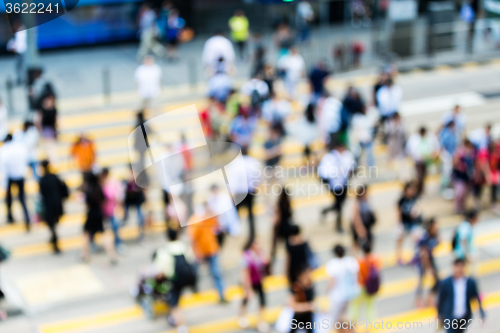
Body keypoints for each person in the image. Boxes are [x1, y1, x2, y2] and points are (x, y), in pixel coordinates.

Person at [153, 228, 196, 333]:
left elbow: (160, 271)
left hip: (173, 281)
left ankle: (181, 326)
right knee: (177, 300)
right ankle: (174, 319)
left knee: (174, 304)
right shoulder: (183, 246)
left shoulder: (164, 251)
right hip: (186, 279)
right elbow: (192, 260)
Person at [187, 203, 228, 303]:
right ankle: (194, 286)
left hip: (212, 250)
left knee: (216, 272)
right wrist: (197, 253)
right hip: (201, 252)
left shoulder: (211, 218)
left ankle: (222, 294)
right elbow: (193, 239)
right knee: (194, 272)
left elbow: (219, 225)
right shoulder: (196, 221)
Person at [437, 258, 485, 333]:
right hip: (450, 316)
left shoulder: (470, 282)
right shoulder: (446, 283)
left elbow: (476, 297)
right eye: (457, 266)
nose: (459, 269)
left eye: (461, 266)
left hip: (464, 316)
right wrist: (439, 314)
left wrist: (482, 314)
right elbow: (441, 299)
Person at [318, 143, 356, 233]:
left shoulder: (347, 155)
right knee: (339, 206)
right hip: (334, 185)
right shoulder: (329, 158)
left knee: (339, 205)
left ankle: (325, 211)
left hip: (344, 184)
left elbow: (352, 167)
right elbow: (323, 172)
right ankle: (338, 226)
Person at [81, 172, 117, 264]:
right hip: (99, 214)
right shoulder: (99, 188)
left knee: (86, 235)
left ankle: (85, 255)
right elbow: (104, 200)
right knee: (104, 235)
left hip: (91, 214)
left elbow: (85, 204)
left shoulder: (87, 190)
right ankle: (112, 255)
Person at [0, 132, 30, 231]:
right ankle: (27, 218)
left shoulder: (5, 150)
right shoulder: (20, 147)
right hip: (20, 175)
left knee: (9, 199)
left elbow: (3, 168)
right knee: (22, 199)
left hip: (11, 177)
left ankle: (10, 216)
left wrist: (3, 183)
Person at [238, 239, 269, 332]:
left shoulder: (259, 254)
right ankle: (242, 316)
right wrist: (247, 289)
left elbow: (266, 262)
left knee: (262, 301)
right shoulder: (246, 256)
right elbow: (244, 274)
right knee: (247, 299)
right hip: (249, 282)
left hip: (259, 281)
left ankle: (259, 321)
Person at [231, 146, 261, 242]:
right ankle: (252, 232)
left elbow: (233, 180)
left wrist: (233, 193)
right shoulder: (253, 162)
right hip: (250, 191)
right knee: (250, 214)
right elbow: (258, 176)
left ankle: (236, 231)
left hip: (239, 192)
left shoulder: (236, 163)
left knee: (236, 213)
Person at [326, 244, 359, 330]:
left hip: (338, 296)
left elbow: (333, 281)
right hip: (351, 293)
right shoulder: (351, 261)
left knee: (336, 319)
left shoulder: (333, 264)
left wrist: (327, 291)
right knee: (347, 317)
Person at [39, 160, 68, 254]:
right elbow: (64, 188)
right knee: (54, 224)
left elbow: (42, 194)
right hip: (57, 203)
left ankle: (54, 242)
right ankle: (54, 240)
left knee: (52, 225)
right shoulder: (54, 177)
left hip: (49, 205)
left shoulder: (42, 180)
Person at [350, 242, 381, 323]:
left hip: (363, 286)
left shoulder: (360, 261)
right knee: (370, 307)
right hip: (372, 286)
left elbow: (358, 274)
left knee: (355, 305)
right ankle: (369, 327)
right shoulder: (376, 259)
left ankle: (353, 324)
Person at [406, 126, 440, 197]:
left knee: (423, 177)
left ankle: (421, 191)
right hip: (417, 162)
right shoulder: (414, 139)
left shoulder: (430, 137)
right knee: (419, 177)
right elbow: (409, 149)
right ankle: (417, 191)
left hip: (427, 162)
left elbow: (436, 147)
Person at [413, 218, 440, 308]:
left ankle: (429, 298)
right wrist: (428, 268)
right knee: (422, 280)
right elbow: (423, 254)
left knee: (437, 280)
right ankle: (418, 301)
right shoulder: (425, 237)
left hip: (430, 258)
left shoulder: (435, 235)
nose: (437, 227)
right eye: (435, 225)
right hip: (422, 261)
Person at [395, 181, 423, 265]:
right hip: (404, 223)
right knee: (400, 240)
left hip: (412, 223)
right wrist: (399, 224)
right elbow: (398, 212)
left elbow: (417, 209)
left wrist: (416, 214)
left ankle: (415, 257)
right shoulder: (401, 200)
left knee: (416, 240)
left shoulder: (414, 199)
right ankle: (399, 257)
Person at [100, 168, 125, 254]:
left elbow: (118, 196)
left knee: (115, 227)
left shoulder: (112, 183)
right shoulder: (100, 184)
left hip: (112, 210)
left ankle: (118, 244)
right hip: (103, 211)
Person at [289, 266, 315, 333]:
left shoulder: (311, 287)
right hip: (298, 316)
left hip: (308, 316)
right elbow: (293, 306)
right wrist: (308, 307)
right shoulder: (297, 287)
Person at [123, 168, 146, 241]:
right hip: (129, 202)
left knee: (140, 219)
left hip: (137, 202)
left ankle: (142, 235)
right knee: (124, 218)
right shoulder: (126, 182)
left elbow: (143, 189)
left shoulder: (138, 180)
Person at [452, 140, 475, 214]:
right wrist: (460, 166)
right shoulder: (460, 151)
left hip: (467, 176)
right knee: (460, 192)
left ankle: (463, 207)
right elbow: (455, 162)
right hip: (460, 175)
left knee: (465, 193)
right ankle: (458, 208)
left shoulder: (471, 152)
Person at [351, 186, 376, 251]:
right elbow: (356, 217)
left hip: (366, 225)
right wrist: (360, 228)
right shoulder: (358, 202)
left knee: (369, 241)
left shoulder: (366, 200)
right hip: (360, 226)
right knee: (357, 243)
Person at [271, 188, 293, 261]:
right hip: (287, 228)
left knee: (274, 245)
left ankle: (273, 256)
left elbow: (277, 218)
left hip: (280, 228)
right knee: (288, 245)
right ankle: (289, 256)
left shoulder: (279, 204)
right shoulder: (288, 203)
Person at [7, 20, 27, 85]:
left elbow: (20, 44)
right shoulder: (19, 31)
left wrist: (15, 48)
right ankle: (20, 79)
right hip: (19, 52)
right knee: (19, 67)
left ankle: (22, 79)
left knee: (21, 67)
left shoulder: (21, 32)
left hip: (20, 52)